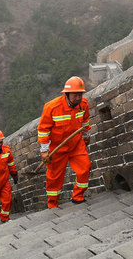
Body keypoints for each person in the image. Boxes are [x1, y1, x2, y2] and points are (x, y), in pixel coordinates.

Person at [37, 76, 92, 209]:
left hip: (76, 145)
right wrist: (44, 151)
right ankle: (52, 204)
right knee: (54, 177)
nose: (78, 97)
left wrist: (86, 136)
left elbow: (85, 122)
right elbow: (43, 130)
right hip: (57, 148)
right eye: (75, 95)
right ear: (67, 94)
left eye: (80, 94)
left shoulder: (83, 104)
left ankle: (78, 196)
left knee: (85, 168)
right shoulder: (52, 107)